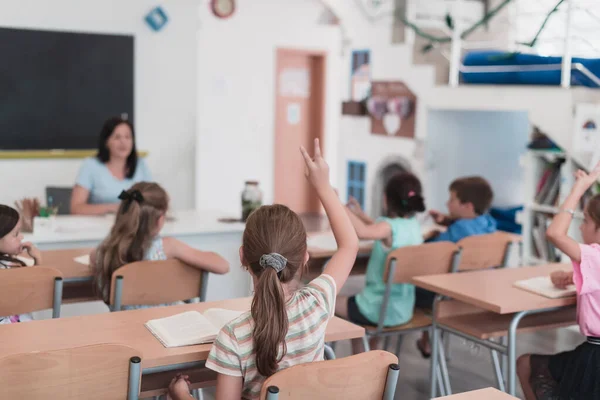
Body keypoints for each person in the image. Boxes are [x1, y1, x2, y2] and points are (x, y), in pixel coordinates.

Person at [168, 139, 359, 400]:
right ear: (305, 257)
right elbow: (349, 244)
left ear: (242, 257)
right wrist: (323, 187)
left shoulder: (234, 338)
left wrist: (181, 395)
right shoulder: (318, 304)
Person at [518, 163, 600, 400]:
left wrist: (579, 187)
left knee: (526, 364)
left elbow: (554, 233)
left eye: (585, 221)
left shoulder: (594, 255)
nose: (581, 227)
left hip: (594, 359)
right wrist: (573, 276)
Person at [90, 182, 229, 307]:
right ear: (160, 220)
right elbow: (223, 266)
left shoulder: (101, 253)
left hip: (123, 330)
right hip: (166, 330)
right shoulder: (168, 247)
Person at [336, 173, 425, 352]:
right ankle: (373, 354)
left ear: (386, 199)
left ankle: (361, 363)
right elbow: (379, 229)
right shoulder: (415, 226)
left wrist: (336, 203)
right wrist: (360, 215)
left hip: (377, 310)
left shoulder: (389, 228)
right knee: (355, 310)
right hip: (403, 310)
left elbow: (362, 232)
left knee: (329, 302)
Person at [417, 176, 496, 357]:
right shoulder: (488, 223)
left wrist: (430, 236)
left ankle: (426, 339)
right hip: (481, 294)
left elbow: (426, 252)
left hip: (450, 299)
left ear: (467, 206)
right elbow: (469, 227)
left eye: (452, 199)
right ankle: (427, 340)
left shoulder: (458, 231)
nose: (447, 203)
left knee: (413, 283)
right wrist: (448, 221)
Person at [71, 116, 152, 215]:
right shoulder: (91, 165)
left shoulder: (141, 164)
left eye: (128, 137)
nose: (123, 142)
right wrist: (113, 208)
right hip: (99, 226)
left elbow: (153, 199)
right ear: (106, 142)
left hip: (135, 224)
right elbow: (76, 208)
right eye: (117, 137)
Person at [0, 205, 42, 324]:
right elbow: (38, 294)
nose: (21, 237)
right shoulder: (11, 268)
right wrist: (38, 261)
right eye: (16, 234)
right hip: (16, 331)